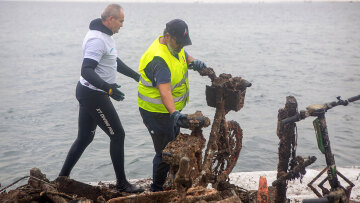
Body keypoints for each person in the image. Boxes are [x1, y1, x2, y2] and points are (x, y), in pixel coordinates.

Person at [59, 4, 144, 193]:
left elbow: (113, 60)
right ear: (110, 19)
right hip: (93, 95)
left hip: (90, 92)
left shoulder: (107, 36)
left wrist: (135, 76)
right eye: (121, 21)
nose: (122, 25)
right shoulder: (97, 39)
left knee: (84, 138)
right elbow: (86, 69)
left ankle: (61, 179)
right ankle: (122, 183)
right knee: (118, 134)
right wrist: (108, 89)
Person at [137, 19, 207, 192]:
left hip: (169, 111)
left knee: (173, 143)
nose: (181, 46)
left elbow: (183, 56)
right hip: (156, 112)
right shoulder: (158, 60)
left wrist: (194, 63)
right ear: (167, 36)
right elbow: (165, 91)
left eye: (184, 43)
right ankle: (156, 190)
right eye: (179, 42)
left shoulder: (175, 46)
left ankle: (170, 181)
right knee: (165, 152)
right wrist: (174, 113)